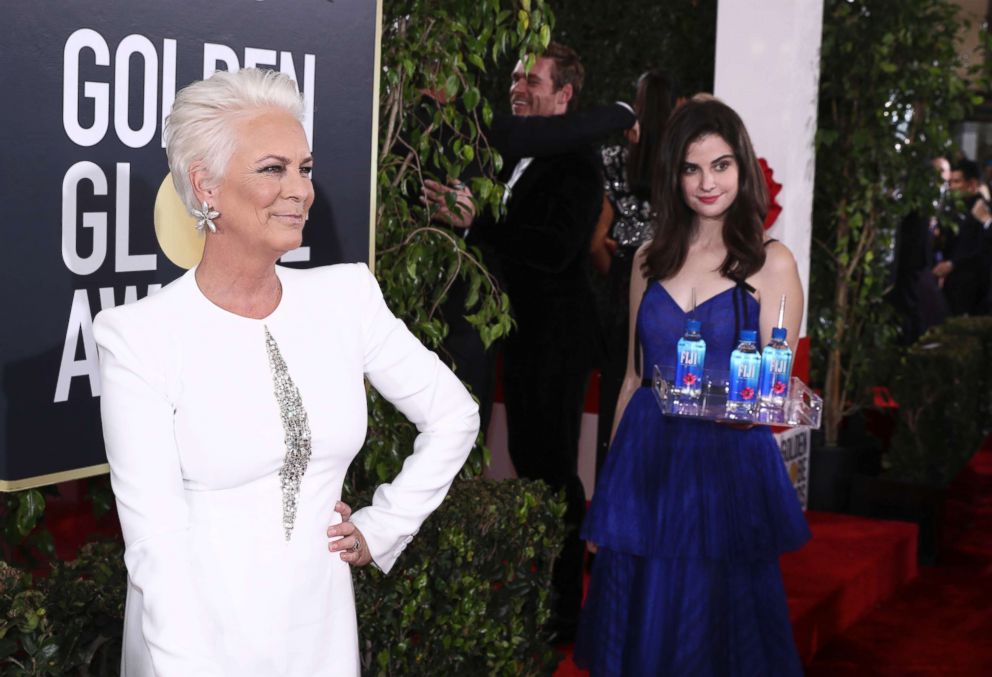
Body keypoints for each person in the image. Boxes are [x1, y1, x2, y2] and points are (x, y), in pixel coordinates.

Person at [93, 68, 479, 676]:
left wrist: (384, 525)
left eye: (304, 167)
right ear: (207, 186)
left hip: (320, 634)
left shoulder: (346, 297)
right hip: (195, 640)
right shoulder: (138, 337)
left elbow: (454, 414)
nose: (300, 189)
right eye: (273, 169)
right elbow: (156, 547)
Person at [575, 97, 810, 675]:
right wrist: (608, 495)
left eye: (721, 165)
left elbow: (772, 388)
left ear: (743, 169)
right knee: (642, 629)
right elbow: (632, 378)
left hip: (723, 471)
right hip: (647, 464)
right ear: (673, 174)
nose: (708, 183)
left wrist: (758, 400)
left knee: (715, 634)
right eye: (692, 168)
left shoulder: (771, 263)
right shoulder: (649, 259)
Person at [430, 42, 603, 640]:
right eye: (515, 78)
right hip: (517, 332)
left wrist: (476, 221)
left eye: (532, 79)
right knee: (530, 463)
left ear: (565, 96)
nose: (518, 87)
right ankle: (532, 594)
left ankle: (561, 608)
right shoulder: (509, 153)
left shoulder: (578, 161)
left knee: (551, 468)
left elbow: (553, 250)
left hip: (557, 335)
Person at [590, 70, 678, 474]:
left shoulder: (614, 159)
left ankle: (612, 481)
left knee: (618, 387)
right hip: (673, 283)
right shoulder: (683, 164)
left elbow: (596, 241)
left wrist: (620, 280)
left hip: (625, 279)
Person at [934, 159, 991, 315]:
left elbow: (980, 250)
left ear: (972, 184)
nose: (952, 187)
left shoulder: (983, 210)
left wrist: (953, 264)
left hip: (972, 290)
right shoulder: (952, 208)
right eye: (950, 182)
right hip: (950, 285)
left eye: (957, 182)